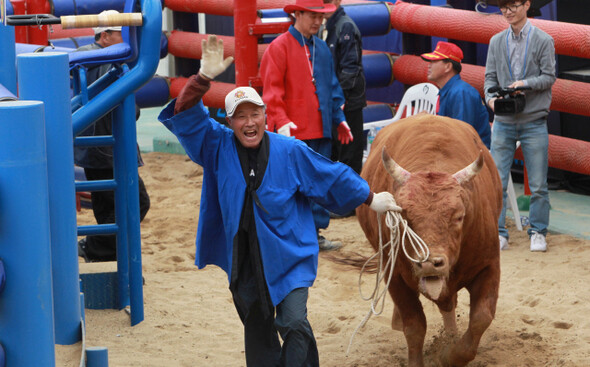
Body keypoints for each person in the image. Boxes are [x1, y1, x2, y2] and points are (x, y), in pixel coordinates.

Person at [158, 35, 401, 367]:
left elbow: (330, 175)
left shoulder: (290, 150)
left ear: (265, 115)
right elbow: (186, 115)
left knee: (293, 322)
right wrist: (202, 78)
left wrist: (371, 198)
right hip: (243, 256)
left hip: (289, 254)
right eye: (240, 117)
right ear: (229, 122)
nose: (248, 123)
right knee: (257, 327)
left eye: (254, 114)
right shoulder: (216, 146)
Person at [260, 0, 353, 251]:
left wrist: (339, 119)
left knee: (319, 183)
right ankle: (289, 235)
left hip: (320, 128)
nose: (317, 21)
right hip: (291, 133)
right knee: (290, 186)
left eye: (320, 17)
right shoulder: (278, 47)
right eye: (312, 16)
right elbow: (271, 93)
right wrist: (280, 121)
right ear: (297, 14)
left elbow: (332, 88)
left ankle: (315, 234)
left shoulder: (321, 48)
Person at [75, 10, 151, 262]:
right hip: (110, 148)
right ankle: (94, 247)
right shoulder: (110, 62)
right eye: (123, 34)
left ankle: (106, 258)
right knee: (136, 202)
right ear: (105, 36)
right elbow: (131, 109)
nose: (128, 40)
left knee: (107, 209)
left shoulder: (83, 57)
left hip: (92, 149)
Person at [484, 0, 556, 252]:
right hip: (503, 120)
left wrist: (524, 83)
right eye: (503, 6)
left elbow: (549, 77)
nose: (507, 11)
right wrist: (491, 100)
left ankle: (538, 231)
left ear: (527, 5)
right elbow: (489, 79)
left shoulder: (543, 40)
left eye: (512, 5)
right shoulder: (495, 41)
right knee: (497, 181)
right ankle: (499, 232)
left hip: (534, 120)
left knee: (538, 184)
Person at [323, 0, 367, 176]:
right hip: (333, 101)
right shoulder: (325, 24)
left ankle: (352, 201)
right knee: (335, 154)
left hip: (347, 103)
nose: (324, 4)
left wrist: (338, 100)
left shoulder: (345, 26)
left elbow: (350, 69)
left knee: (349, 156)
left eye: (328, 1)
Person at [421, 41, 491, 148]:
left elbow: (461, 137)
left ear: (448, 67)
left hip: (470, 156)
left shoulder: (461, 93)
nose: (429, 65)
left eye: (434, 61)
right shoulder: (451, 90)